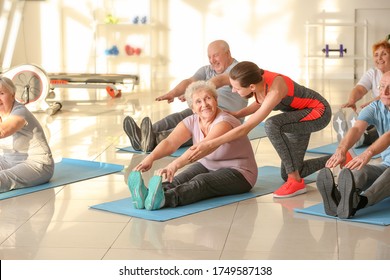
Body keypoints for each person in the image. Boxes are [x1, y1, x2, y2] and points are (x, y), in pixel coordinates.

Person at [188, 61, 332, 198]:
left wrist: (212, 143)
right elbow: (260, 102)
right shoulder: (254, 78)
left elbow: (246, 128)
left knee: (272, 125)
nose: (233, 90)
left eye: (237, 89)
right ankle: (341, 158)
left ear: (251, 87)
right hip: (298, 117)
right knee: (292, 169)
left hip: (318, 112)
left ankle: (295, 182)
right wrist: (237, 114)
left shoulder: (275, 89)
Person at [127, 81, 257, 210]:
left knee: (201, 182)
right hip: (207, 165)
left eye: (208, 98)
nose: (204, 104)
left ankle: (164, 200)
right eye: (198, 102)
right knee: (177, 180)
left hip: (240, 173)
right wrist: (150, 158)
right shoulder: (192, 120)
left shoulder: (224, 122)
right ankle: (148, 195)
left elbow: (203, 148)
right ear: (193, 108)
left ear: (216, 100)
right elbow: (170, 142)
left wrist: (174, 165)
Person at [123, 40, 248, 152]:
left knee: (190, 128)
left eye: (215, 55)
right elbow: (189, 82)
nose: (212, 60)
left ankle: (153, 139)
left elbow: (220, 80)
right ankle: (144, 134)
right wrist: (172, 93)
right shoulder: (207, 69)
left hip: (224, 118)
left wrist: (195, 94)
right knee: (179, 116)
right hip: (205, 109)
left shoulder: (238, 70)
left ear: (228, 53)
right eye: (209, 57)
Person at [316, 71, 390, 219]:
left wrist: (368, 153)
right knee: (358, 170)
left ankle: (359, 202)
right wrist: (341, 150)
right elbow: (356, 128)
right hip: (386, 165)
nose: (385, 92)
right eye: (382, 87)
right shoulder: (376, 106)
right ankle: (340, 197)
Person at [0, 76, 54, 193]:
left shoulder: (20, 112)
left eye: (2, 93)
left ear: (13, 95)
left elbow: (3, 131)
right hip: (7, 161)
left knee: (2, 179)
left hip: (37, 164)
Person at [333, 39, 390, 146]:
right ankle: (350, 132)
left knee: (381, 128)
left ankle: (362, 137)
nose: (379, 58)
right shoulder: (373, 72)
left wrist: (372, 104)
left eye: (384, 54)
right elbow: (360, 89)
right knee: (366, 119)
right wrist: (351, 100)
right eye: (376, 55)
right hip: (378, 112)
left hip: (386, 112)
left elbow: (385, 96)